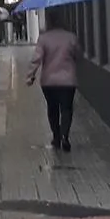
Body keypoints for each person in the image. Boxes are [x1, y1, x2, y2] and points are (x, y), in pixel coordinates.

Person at [26, 10, 80, 153]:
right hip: (68, 80)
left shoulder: (44, 38)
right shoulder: (71, 37)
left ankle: (56, 137)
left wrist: (30, 75)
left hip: (49, 81)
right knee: (67, 108)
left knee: (52, 109)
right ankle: (65, 136)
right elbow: (77, 55)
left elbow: (36, 59)